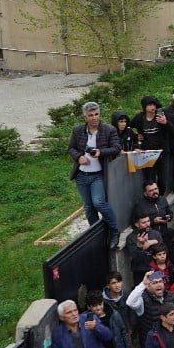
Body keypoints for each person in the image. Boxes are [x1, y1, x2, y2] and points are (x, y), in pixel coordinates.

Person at [68, 101, 122, 249]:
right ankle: (97, 234)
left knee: (99, 202)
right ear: (85, 117)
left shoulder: (108, 130)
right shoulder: (78, 130)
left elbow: (117, 147)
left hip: (98, 174)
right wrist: (79, 157)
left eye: (96, 114)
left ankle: (114, 231)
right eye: (90, 115)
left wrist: (101, 152)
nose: (94, 118)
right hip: (81, 175)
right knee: (89, 207)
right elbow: (71, 148)